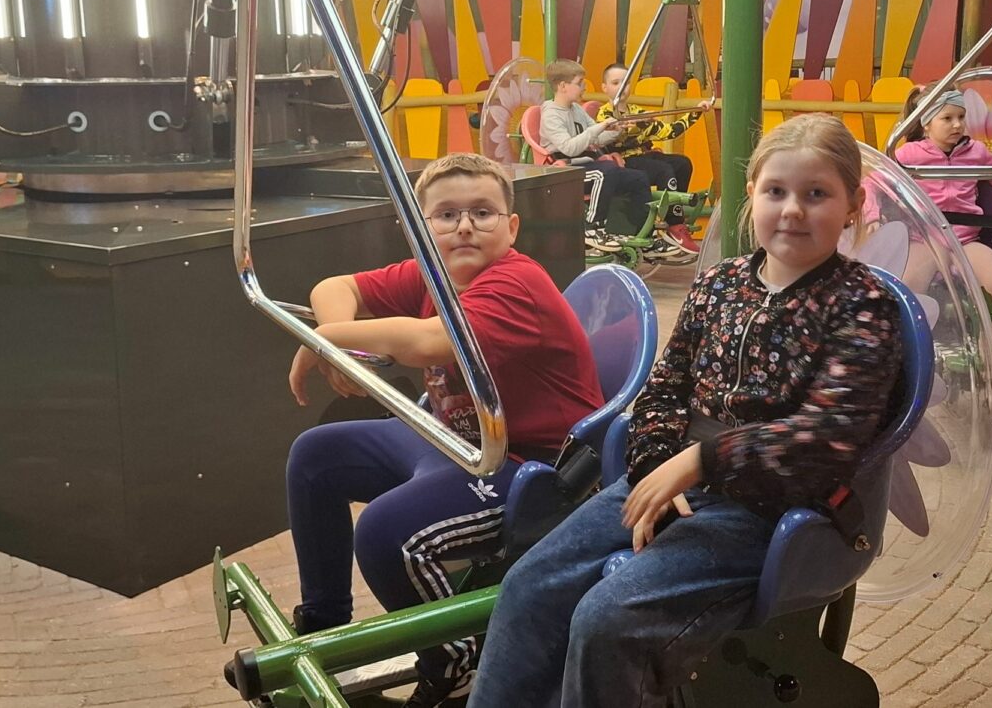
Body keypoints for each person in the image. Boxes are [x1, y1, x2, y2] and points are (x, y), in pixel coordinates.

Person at [469, 114, 904, 708]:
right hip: (672, 479)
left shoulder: (862, 303)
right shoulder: (720, 283)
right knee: (529, 585)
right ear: (751, 194)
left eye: (816, 194)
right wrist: (656, 465)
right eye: (776, 191)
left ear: (852, 204)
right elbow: (664, 388)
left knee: (608, 621)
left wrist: (699, 461)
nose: (792, 211)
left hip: (769, 509)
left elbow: (828, 435)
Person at [283, 154, 605, 708]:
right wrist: (340, 337)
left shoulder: (516, 281)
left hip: (529, 465)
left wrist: (329, 339)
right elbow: (336, 286)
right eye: (446, 215)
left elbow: (430, 340)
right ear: (420, 228)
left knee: (388, 535)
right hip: (457, 441)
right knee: (315, 456)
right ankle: (324, 628)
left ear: (511, 226)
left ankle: (457, 670)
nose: (464, 227)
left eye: (483, 212)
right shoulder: (433, 270)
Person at [885, 87, 992, 415]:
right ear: (926, 123)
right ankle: (902, 367)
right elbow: (877, 183)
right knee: (909, 287)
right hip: (926, 239)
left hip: (966, 239)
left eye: (961, 117)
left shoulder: (976, 153)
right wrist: (873, 214)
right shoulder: (909, 155)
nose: (957, 125)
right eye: (947, 118)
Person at [595, 62, 711, 255]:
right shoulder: (605, 113)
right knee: (663, 171)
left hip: (643, 156)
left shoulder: (637, 111)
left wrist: (695, 113)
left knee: (682, 163)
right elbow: (613, 137)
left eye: (626, 82)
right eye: (616, 83)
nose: (622, 88)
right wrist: (639, 125)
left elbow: (669, 131)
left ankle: (674, 213)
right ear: (604, 87)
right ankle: (674, 224)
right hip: (622, 161)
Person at [538, 59, 652, 251]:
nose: (584, 87)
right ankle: (591, 227)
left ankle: (639, 233)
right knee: (605, 172)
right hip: (563, 171)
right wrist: (600, 126)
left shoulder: (576, 109)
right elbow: (569, 148)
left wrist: (618, 129)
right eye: (580, 83)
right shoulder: (551, 115)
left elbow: (597, 139)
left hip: (585, 164)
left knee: (638, 178)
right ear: (563, 86)